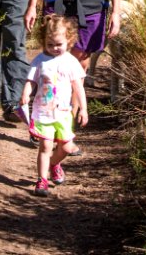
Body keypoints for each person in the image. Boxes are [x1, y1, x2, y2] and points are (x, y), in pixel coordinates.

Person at [20, 14, 88, 196]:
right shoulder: (40, 60)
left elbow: (78, 87)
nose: (54, 48)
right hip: (43, 112)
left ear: (69, 40)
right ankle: (42, 180)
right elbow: (31, 80)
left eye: (59, 44)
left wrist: (83, 108)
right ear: (44, 42)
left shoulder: (71, 62)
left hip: (64, 113)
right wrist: (26, 93)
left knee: (65, 147)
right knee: (45, 147)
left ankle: (54, 164)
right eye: (50, 45)